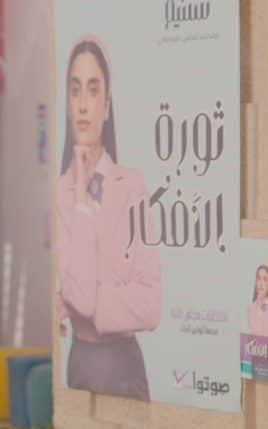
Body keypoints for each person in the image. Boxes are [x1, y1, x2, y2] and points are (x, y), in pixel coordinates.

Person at [55, 35, 162, 400]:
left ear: (107, 105)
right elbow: (82, 297)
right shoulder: (60, 194)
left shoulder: (133, 186)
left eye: (93, 89)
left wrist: (78, 304)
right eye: (75, 90)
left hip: (126, 368)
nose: (83, 104)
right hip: (81, 366)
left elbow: (150, 305)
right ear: (67, 103)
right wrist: (81, 201)